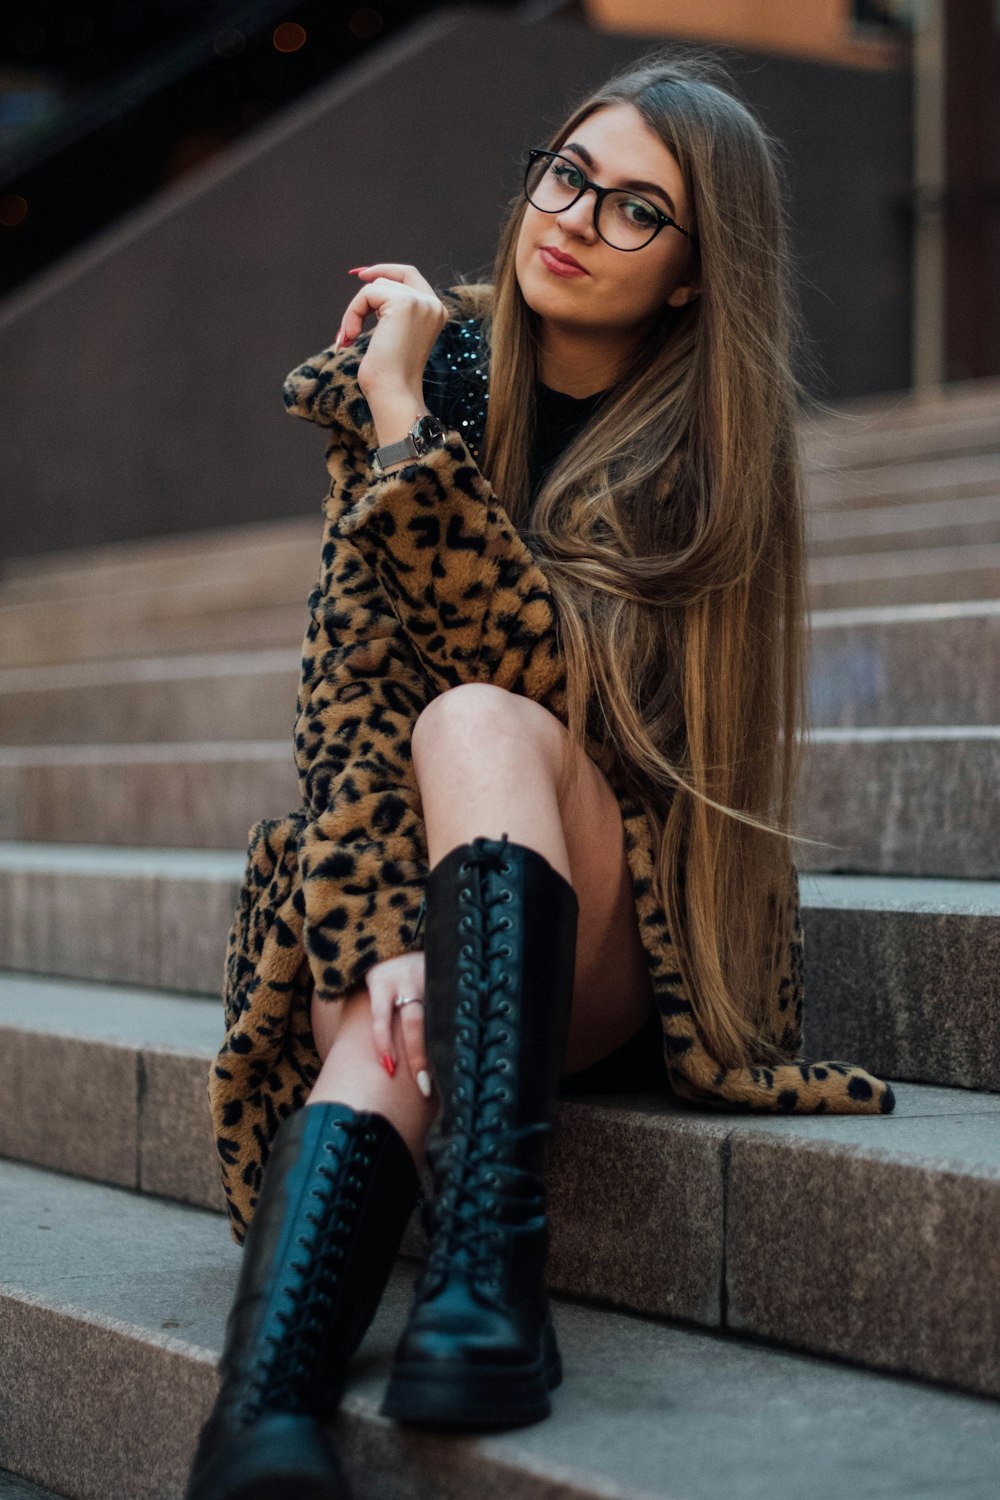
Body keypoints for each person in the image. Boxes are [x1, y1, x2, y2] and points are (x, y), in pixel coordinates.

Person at [184, 46, 895, 1500]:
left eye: (638, 209)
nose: (575, 217)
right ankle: (261, 1422)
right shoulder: (442, 375)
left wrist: (401, 435)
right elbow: (348, 702)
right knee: (378, 998)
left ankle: (490, 1271)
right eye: (569, 174)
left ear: (696, 272)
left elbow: (560, 690)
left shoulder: (701, 452)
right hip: (454, 915)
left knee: (480, 724)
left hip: (618, 936)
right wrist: (385, 927)